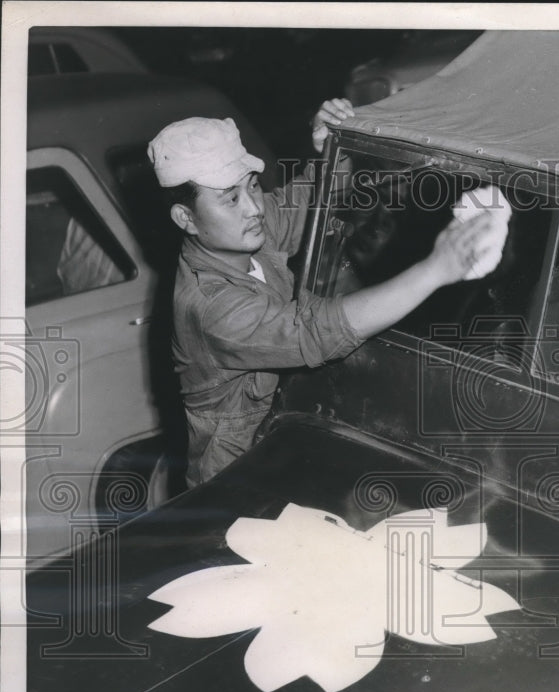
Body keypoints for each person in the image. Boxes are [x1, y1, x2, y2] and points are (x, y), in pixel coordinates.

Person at [149, 98, 498, 487]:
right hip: (235, 481)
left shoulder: (238, 234)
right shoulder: (212, 307)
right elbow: (315, 330)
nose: (253, 208)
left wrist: (332, 146)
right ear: (186, 219)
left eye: (252, 185)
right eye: (231, 198)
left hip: (283, 441)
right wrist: (435, 270)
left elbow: (309, 199)